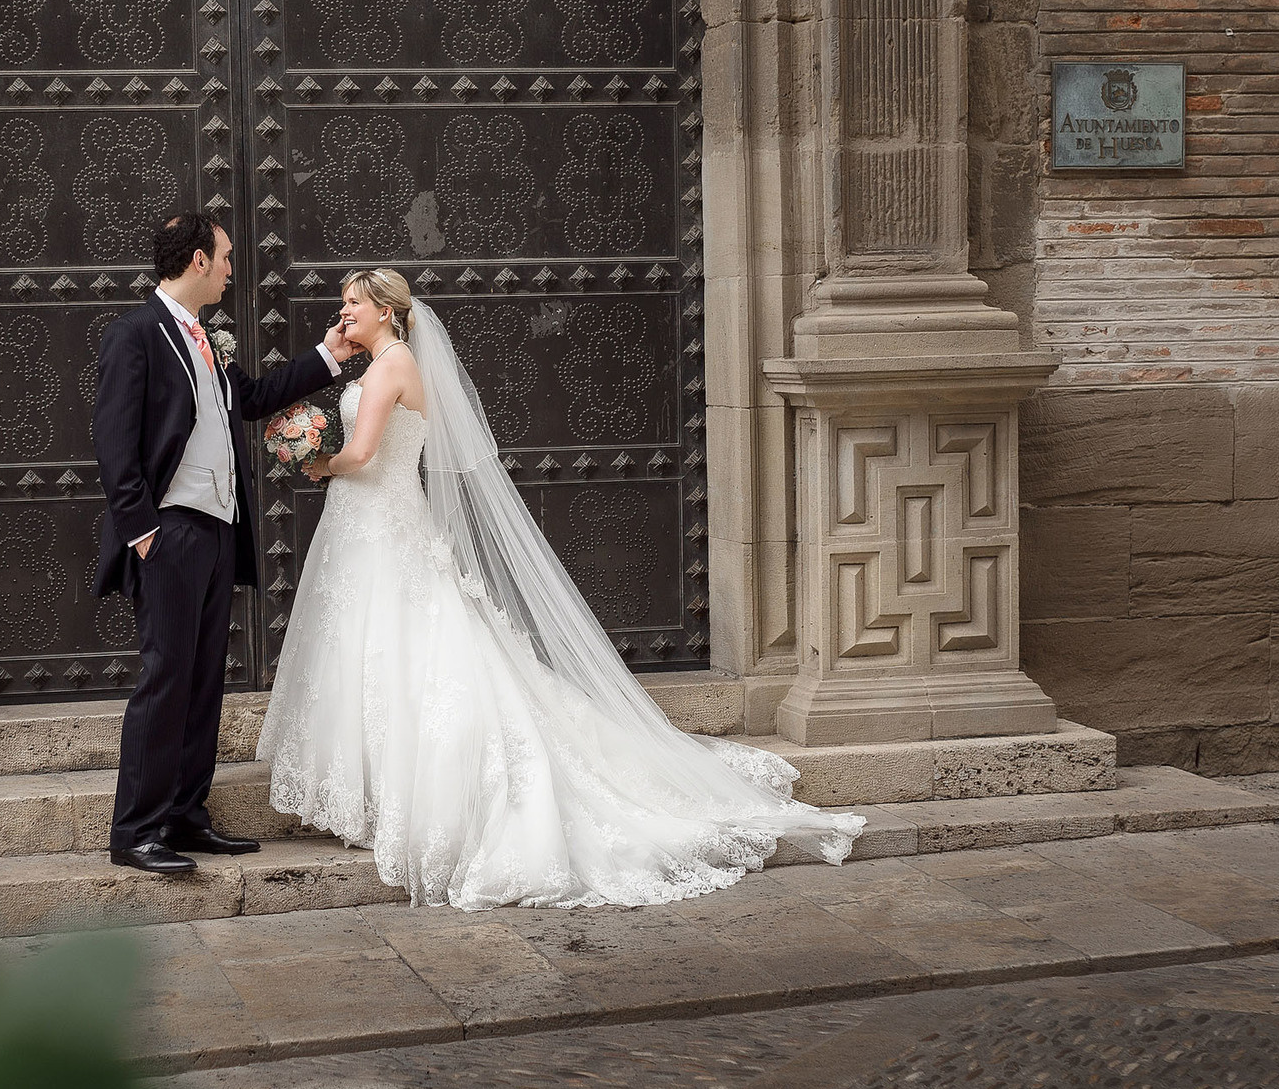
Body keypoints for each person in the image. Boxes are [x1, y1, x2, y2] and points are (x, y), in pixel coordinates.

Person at [260, 268, 865, 909]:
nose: (344, 311)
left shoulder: (389, 369)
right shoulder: (392, 364)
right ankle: (376, 794)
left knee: (393, 646)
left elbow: (360, 456)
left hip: (379, 523)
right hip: (375, 521)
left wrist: (314, 462)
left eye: (354, 303)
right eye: (344, 303)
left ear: (386, 311)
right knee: (380, 646)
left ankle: (398, 797)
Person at [92, 213, 351, 875]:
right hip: (168, 533)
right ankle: (135, 831)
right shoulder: (135, 334)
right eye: (227, 257)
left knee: (204, 680)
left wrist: (328, 356)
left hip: (215, 530)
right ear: (199, 260)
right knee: (166, 679)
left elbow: (253, 398)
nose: (234, 268)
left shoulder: (205, 338)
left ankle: (184, 814)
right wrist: (144, 534)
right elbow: (115, 443)